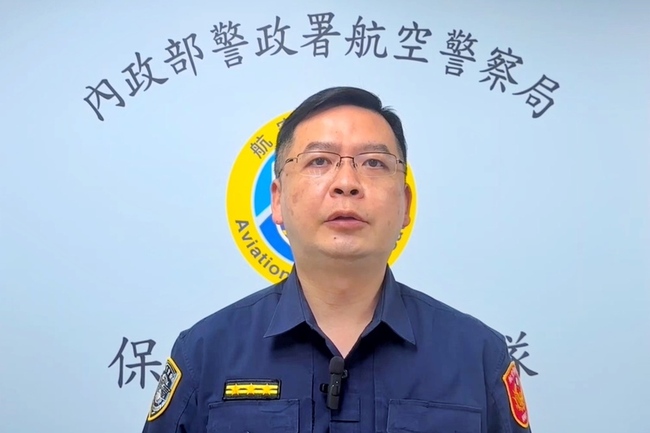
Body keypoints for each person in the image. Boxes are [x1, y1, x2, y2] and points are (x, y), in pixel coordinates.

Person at [141, 86, 532, 433]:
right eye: (319, 161)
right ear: (277, 200)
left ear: (405, 204)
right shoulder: (207, 352)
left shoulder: (477, 355)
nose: (347, 183)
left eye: (374, 163)